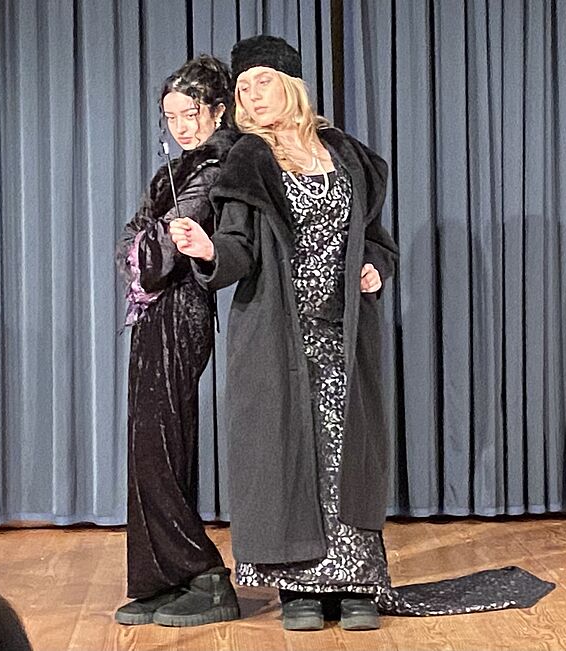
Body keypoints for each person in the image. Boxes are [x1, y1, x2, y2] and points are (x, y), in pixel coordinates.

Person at [169, 35, 400, 631]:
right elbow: (239, 248)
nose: (249, 94)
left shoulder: (347, 155)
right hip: (278, 334)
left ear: (291, 85)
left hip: (344, 333)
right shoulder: (249, 160)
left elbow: (376, 238)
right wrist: (207, 250)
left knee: (346, 454)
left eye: (261, 82)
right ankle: (298, 586)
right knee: (286, 455)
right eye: (242, 87)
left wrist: (376, 266)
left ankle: (356, 582)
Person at [114, 55, 240, 628]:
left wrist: (144, 241)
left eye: (191, 114)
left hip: (179, 314)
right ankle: (164, 577)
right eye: (172, 116)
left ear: (217, 111)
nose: (182, 126)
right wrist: (143, 240)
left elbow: (155, 255)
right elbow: (134, 240)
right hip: (155, 315)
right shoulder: (178, 171)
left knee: (159, 443)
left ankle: (206, 577)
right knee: (149, 444)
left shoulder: (215, 167)